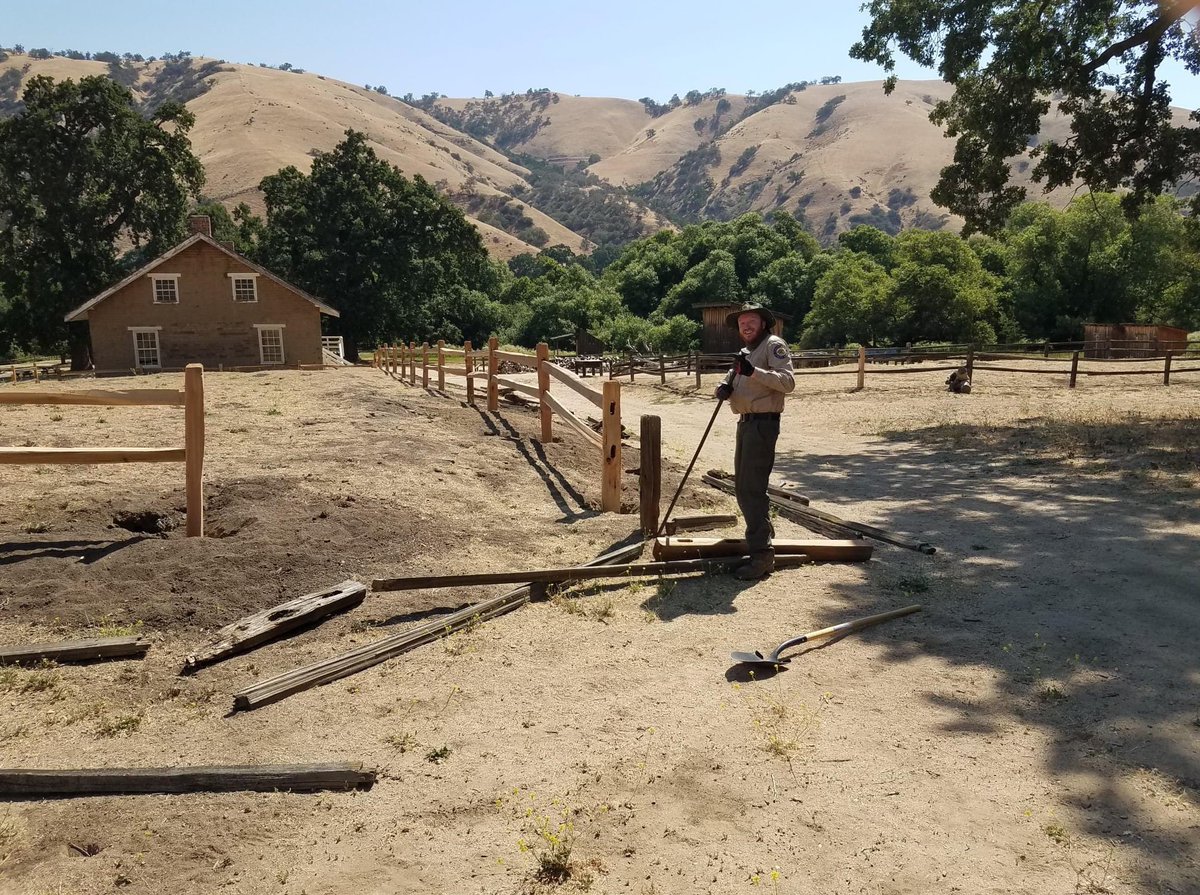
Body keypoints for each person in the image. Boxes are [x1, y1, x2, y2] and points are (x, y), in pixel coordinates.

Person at [714, 303, 795, 580]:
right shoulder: (747, 351)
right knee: (744, 486)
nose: (746, 326)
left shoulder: (773, 345)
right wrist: (726, 385)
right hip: (747, 423)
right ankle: (763, 536)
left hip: (763, 424)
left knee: (751, 488)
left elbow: (787, 382)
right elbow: (736, 372)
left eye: (751, 321)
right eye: (742, 323)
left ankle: (761, 556)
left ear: (763, 324)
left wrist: (752, 373)